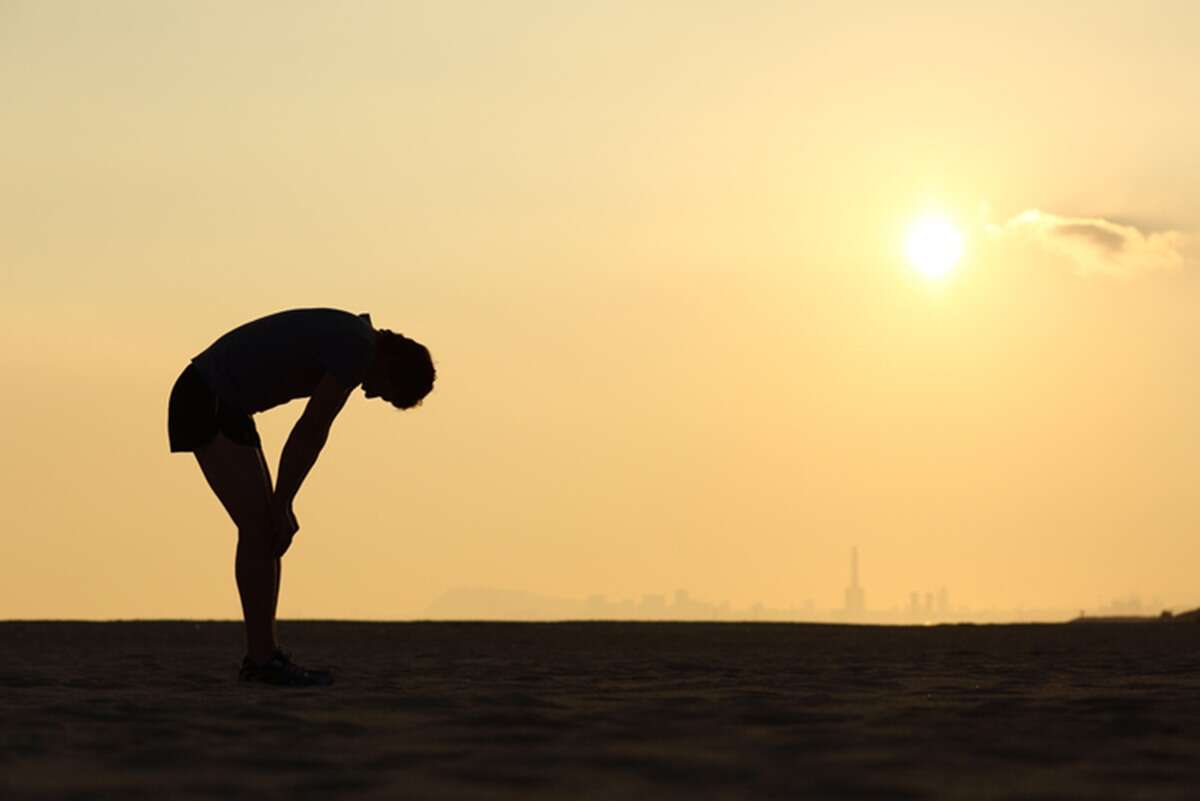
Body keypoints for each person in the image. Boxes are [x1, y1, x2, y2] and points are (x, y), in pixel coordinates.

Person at [167, 308, 435, 686]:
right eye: (386, 393)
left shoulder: (356, 339)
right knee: (260, 528)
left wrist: (282, 502)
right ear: (392, 365)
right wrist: (283, 501)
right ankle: (260, 661)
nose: (372, 395)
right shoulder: (357, 348)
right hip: (203, 397)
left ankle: (265, 655)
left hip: (227, 406)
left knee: (266, 533)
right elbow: (312, 428)